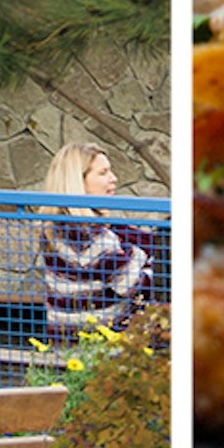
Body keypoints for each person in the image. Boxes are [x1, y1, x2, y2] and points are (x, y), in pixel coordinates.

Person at [39, 139, 152, 344]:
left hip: (68, 340)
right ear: (78, 182)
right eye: (103, 173)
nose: (114, 179)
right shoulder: (87, 236)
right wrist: (146, 260)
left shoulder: (58, 226)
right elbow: (139, 285)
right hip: (99, 347)